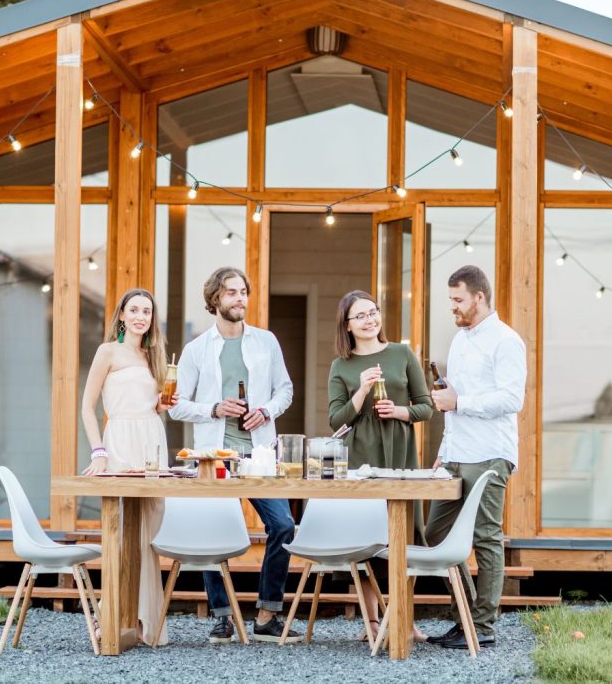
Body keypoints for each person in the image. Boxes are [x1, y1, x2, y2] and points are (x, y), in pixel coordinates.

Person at [169, 267, 300, 644]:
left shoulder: (266, 341)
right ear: (215, 299)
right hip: (213, 455)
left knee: (283, 526)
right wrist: (213, 409)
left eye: (243, 292)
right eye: (231, 293)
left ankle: (266, 614)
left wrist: (267, 410)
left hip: (258, 453)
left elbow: (285, 390)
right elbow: (178, 406)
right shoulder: (196, 349)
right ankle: (222, 615)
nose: (240, 298)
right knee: (213, 531)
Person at [424, 265, 525, 651]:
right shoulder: (460, 341)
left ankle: (482, 624)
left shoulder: (506, 340)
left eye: (458, 300)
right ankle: (464, 612)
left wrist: (460, 402)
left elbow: (511, 399)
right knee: (436, 535)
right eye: (451, 300)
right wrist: (444, 451)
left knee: (485, 537)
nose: (453, 307)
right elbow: (451, 401)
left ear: (479, 298)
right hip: (457, 454)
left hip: (490, 453)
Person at [327, 289, 433, 641]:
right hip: (360, 456)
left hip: (399, 451)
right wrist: (361, 391)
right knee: (369, 535)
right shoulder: (341, 365)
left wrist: (400, 411)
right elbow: (335, 419)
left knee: (404, 533)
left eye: (373, 312)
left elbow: (426, 406)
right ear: (347, 325)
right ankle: (371, 622)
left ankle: (405, 619)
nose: (370, 319)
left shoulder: (402, 353)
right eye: (361, 315)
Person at [80, 288, 171, 646]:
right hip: (119, 438)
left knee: (150, 530)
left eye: (146, 311)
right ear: (121, 315)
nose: (140, 316)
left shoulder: (153, 354)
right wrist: (98, 451)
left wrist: (162, 405)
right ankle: (110, 616)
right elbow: (87, 406)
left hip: (152, 438)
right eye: (134, 310)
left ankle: (144, 620)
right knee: (121, 530)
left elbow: (149, 405)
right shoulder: (108, 351)